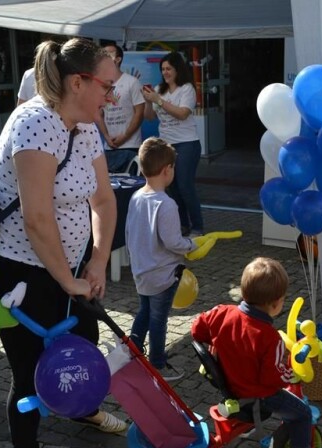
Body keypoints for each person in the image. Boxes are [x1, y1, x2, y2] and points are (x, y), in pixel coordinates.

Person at [0, 37, 125, 448]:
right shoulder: (34, 124)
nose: (113, 96)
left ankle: (83, 408)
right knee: (29, 372)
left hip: (69, 272)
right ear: (76, 81)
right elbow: (36, 217)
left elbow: (103, 199)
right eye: (107, 85)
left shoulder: (84, 125)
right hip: (23, 275)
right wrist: (68, 279)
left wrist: (99, 258)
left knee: (84, 343)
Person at [191, 257, 315, 448]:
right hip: (257, 396)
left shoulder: (222, 313)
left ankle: (249, 426)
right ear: (277, 304)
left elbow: (197, 328)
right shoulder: (269, 338)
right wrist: (292, 373)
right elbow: (273, 379)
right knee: (302, 414)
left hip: (230, 386)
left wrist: (219, 343)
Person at [125, 137, 196, 381]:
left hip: (142, 271)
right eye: (173, 167)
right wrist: (191, 245)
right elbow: (173, 242)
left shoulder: (135, 197)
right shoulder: (166, 204)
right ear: (167, 170)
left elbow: (129, 233)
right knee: (158, 320)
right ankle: (158, 364)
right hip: (162, 275)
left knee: (144, 312)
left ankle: (131, 353)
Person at [142, 52, 203, 237]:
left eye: (169, 68)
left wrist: (158, 100)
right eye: (163, 69)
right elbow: (150, 117)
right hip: (167, 145)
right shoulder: (160, 89)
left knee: (185, 185)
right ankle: (183, 225)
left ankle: (198, 227)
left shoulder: (187, 89)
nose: (165, 72)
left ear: (177, 69)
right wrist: (147, 101)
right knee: (172, 187)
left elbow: (183, 113)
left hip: (187, 144)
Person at [96, 44, 145, 174]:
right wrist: (106, 136)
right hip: (109, 147)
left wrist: (125, 136)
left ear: (117, 59)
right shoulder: (100, 84)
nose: (103, 56)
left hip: (130, 146)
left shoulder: (132, 82)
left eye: (107, 53)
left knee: (129, 187)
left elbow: (139, 112)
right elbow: (98, 113)